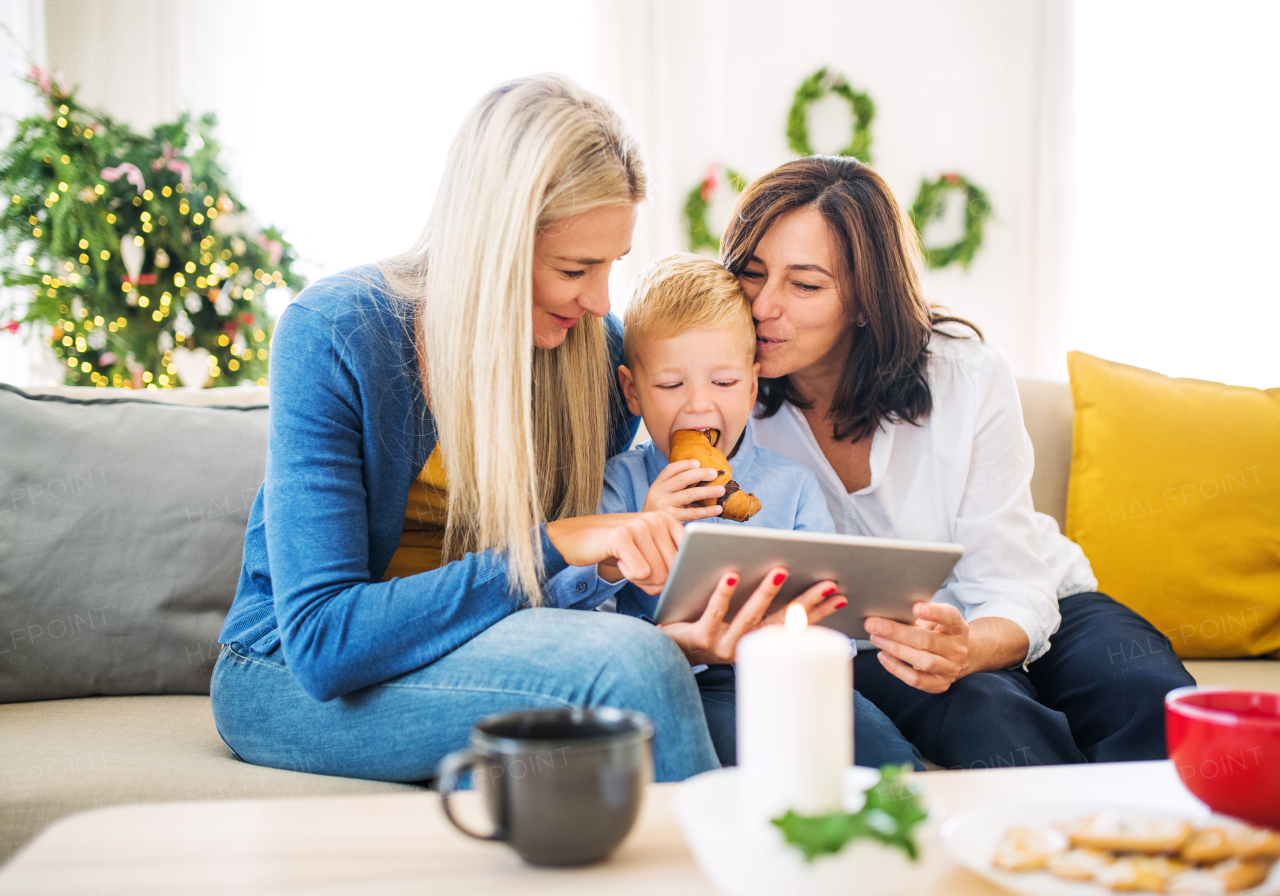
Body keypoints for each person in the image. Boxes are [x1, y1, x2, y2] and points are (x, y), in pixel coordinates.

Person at [211, 75, 797, 785]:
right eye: (574, 269)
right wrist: (548, 546)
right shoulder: (337, 334)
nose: (599, 300)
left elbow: (584, 594)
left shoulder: (596, 353)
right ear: (494, 246)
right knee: (629, 666)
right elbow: (325, 643)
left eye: (611, 266)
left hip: (486, 645)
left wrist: (656, 615)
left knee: (629, 674)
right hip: (291, 676)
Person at [721, 156, 1196, 769]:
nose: (763, 307)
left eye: (805, 285)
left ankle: (1165, 858)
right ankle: (1049, 856)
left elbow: (1014, 584)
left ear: (866, 300)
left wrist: (970, 646)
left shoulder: (963, 370)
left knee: (1152, 701)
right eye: (752, 274)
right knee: (990, 719)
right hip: (884, 634)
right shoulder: (725, 394)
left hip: (1033, 598)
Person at [546, 253, 924, 769]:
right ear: (633, 391)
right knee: (734, 749)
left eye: (723, 384)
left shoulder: (792, 485)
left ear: (751, 385)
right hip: (680, 680)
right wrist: (633, 539)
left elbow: (833, 609)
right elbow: (573, 614)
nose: (699, 406)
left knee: (887, 757)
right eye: (670, 385)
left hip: (786, 671)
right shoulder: (621, 484)